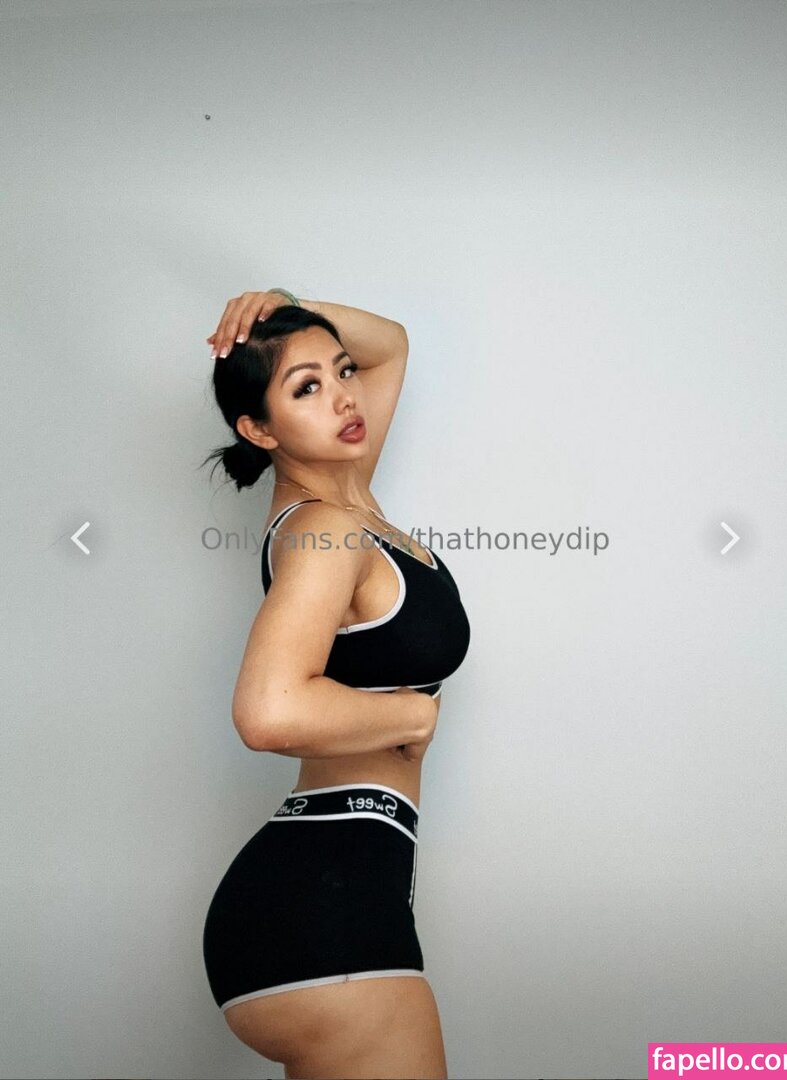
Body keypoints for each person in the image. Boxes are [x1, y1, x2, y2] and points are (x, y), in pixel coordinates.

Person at [200, 288, 471, 1079]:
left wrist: (285, 305)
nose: (345, 396)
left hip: (333, 892)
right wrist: (411, 718)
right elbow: (269, 710)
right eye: (306, 388)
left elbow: (390, 344)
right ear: (260, 430)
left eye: (340, 372)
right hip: (325, 906)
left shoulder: (350, 500)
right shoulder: (326, 528)